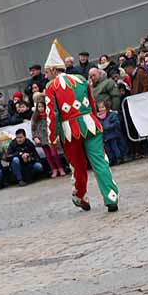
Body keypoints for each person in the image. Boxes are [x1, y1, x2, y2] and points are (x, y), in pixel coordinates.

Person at [44, 39, 119, 212]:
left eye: (47, 72)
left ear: (54, 69)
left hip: (70, 131)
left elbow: (53, 114)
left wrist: (52, 137)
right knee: (100, 161)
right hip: (91, 124)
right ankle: (111, 197)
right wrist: (94, 120)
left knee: (77, 166)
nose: (46, 75)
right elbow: (92, 102)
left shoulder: (51, 86)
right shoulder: (80, 79)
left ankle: (80, 196)